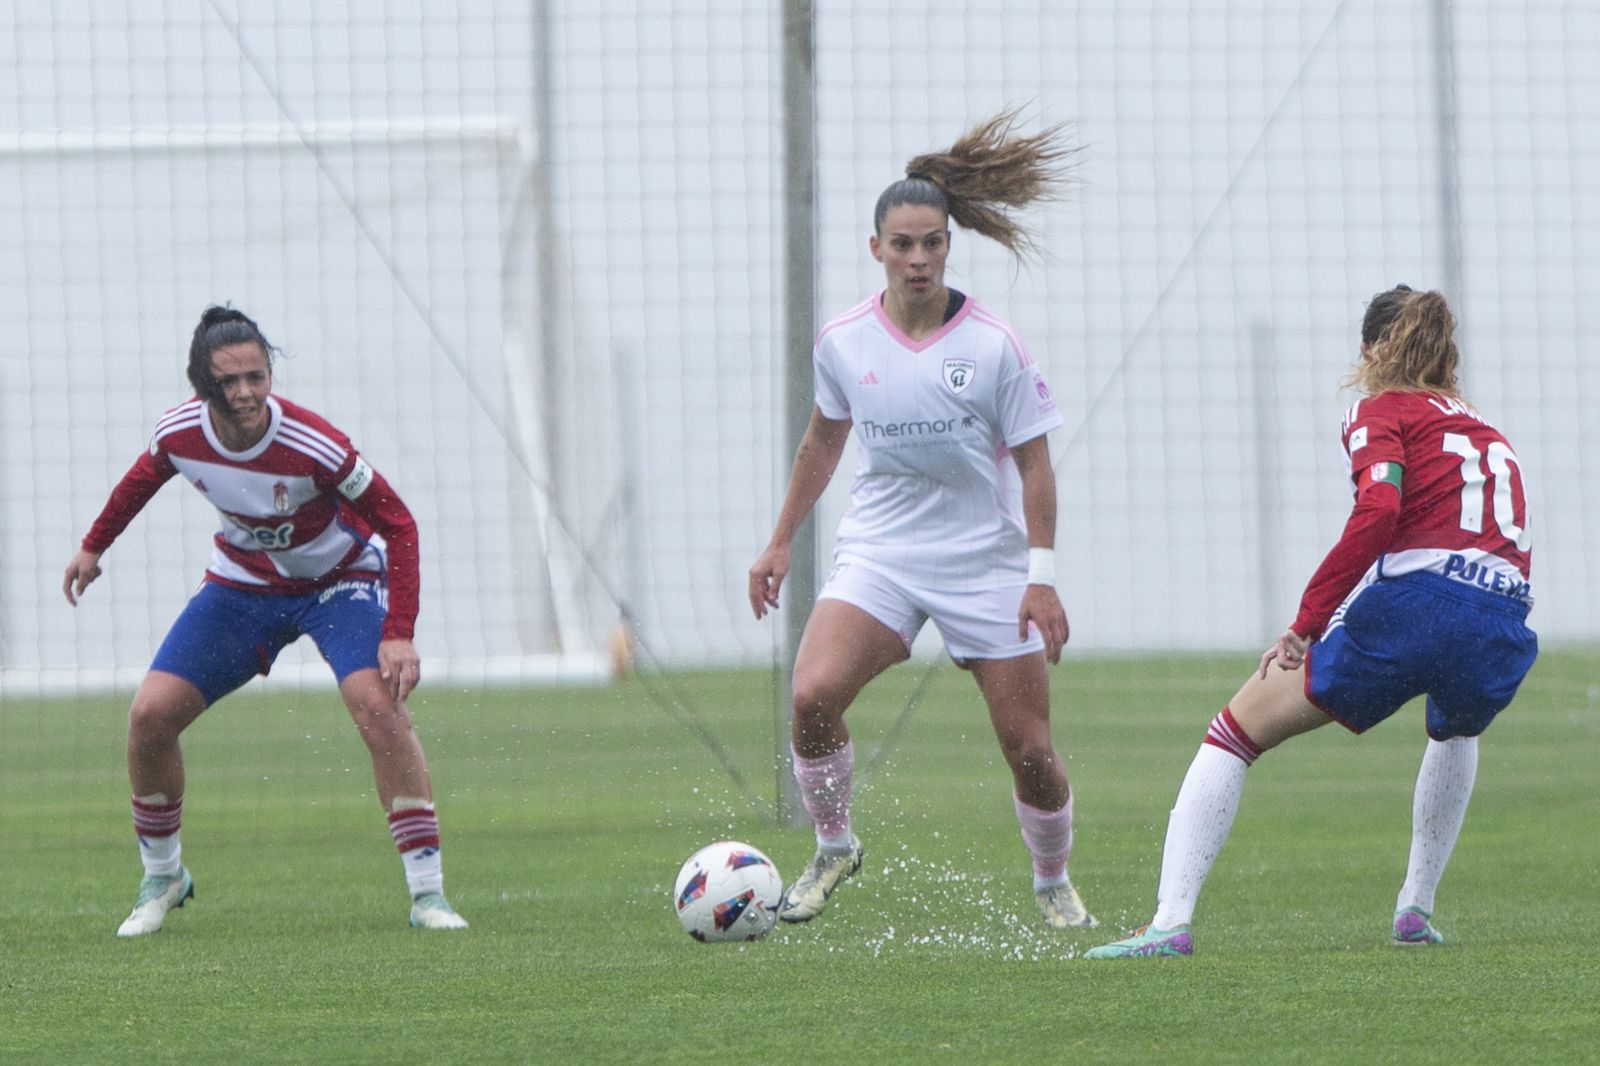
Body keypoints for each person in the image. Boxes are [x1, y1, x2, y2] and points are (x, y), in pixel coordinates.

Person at [1087, 286, 1537, 959]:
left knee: (1234, 731)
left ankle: (1168, 923)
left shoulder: (1380, 409)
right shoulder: (1487, 431)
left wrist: (1307, 621)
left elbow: (1379, 509)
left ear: (1368, 351)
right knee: (1455, 726)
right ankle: (1415, 908)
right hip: (1505, 617)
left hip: (1421, 605)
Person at [748, 110, 1096, 930]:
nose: (917, 258)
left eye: (931, 244)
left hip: (986, 563)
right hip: (884, 552)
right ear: (876, 248)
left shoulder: (996, 345)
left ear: (948, 246)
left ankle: (1052, 879)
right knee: (811, 696)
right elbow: (822, 441)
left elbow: (1036, 466)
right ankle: (834, 846)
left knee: (1031, 751)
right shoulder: (843, 341)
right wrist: (779, 541)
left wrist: (1041, 578)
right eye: (902, 245)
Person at [63, 306, 468, 936]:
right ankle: (164, 877)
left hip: (340, 584)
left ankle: (428, 895)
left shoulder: (315, 444)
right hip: (244, 587)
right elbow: (140, 481)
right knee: (149, 716)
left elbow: (399, 522)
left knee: (377, 704)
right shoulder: (180, 433)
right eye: (229, 381)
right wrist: (93, 547)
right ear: (202, 383)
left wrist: (399, 631)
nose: (246, 392)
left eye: (257, 376)